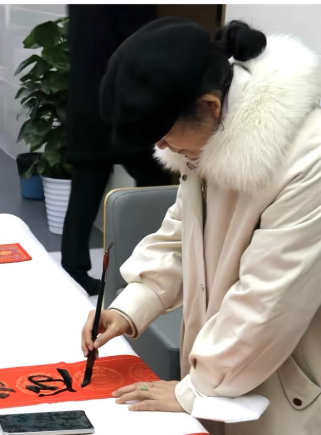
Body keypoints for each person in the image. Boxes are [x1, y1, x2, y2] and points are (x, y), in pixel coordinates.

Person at [81, 17, 321, 435]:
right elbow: (181, 238)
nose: (160, 146)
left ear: (210, 106)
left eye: (163, 134)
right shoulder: (212, 137)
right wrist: (128, 306)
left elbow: (268, 301)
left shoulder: (308, 160)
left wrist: (194, 390)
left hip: (284, 381)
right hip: (231, 366)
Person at [61, 5, 171, 296]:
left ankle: (73, 272)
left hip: (87, 101)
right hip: (125, 103)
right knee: (157, 183)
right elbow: (144, 43)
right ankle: (152, 266)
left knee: (85, 190)